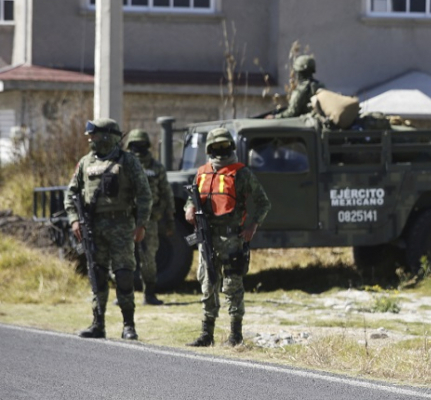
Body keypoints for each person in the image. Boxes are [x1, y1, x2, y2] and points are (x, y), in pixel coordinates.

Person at [65, 118, 152, 340]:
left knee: (124, 275)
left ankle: (128, 325)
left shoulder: (129, 161)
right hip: (94, 228)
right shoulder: (85, 163)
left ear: (107, 136)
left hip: (122, 226)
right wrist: (75, 220)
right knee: (97, 275)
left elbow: (144, 194)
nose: (89, 139)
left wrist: (141, 224)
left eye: (93, 135)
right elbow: (71, 194)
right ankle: (98, 324)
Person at [185, 128, 271, 347]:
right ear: (209, 149)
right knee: (207, 283)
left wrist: (252, 225)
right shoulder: (202, 172)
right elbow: (192, 198)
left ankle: (235, 335)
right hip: (207, 237)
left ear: (231, 147)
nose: (221, 151)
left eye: (225, 146)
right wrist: (190, 208)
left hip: (232, 239)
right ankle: (207, 334)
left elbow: (263, 202)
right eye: (216, 147)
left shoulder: (241, 173)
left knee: (232, 286)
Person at [125, 129, 174, 305]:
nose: (138, 149)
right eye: (135, 145)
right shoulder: (123, 165)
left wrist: (170, 219)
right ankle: (124, 293)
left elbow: (166, 194)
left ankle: (149, 294)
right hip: (125, 218)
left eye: (142, 145)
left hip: (149, 220)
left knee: (148, 258)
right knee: (123, 257)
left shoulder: (156, 167)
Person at [267, 54, 325, 119]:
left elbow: (292, 112)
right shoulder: (320, 85)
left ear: (299, 72)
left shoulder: (301, 89)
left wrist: (274, 117)